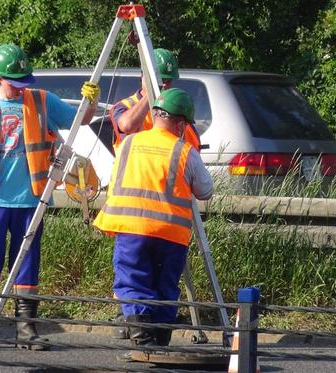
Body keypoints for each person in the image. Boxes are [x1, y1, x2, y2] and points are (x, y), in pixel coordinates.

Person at [0, 43, 99, 350]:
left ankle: (26, 329)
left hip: (32, 199)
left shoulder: (43, 101)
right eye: (13, 83)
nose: (19, 89)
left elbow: (81, 120)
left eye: (23, 83)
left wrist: (91, 102)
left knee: (27, 262)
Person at [93, 88, 213, 349]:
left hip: (130, 228)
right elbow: (205, 191)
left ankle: (140, 332)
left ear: (156, 114)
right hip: (170, 233)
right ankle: (160, 337)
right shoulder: (185, 151)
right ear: (181, 123)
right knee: (165, 284)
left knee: (132, 279)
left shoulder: (127, 144)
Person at [108, 48, 201, 339]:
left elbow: (192, 154)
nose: (167, 88)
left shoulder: (178, 114)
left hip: (168, 213)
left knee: (161, 277)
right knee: (134, 272)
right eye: (162, 83)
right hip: (135, 207)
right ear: (144, 79)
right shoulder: (125, 106)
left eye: (169, 84)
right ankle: (137, 323)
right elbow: (125, 126)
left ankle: (150, 328)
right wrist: (152, 96)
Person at [109, 48, 201, 152]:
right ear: (143, 76)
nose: (165, 85)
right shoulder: (124, 107)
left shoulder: (176, 108)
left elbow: (192, 143)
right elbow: (126, 125)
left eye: (168, 81)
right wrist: (151, 93)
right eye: (161, 80)